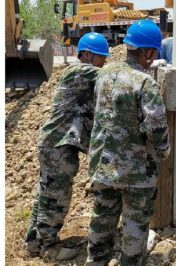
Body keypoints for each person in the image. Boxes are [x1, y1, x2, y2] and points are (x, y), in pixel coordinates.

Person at [85, 20, 170, 266]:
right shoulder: (145, 82)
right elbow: (155, 126)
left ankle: (96, 261)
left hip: (103, 165)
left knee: (102, 216)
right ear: (148, 52)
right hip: (136, 172)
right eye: (154, 53)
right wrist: (163, 151)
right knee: (134, 223)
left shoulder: (104, 74)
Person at [25, 32, 109, 256]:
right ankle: (48, 248)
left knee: (46, 194)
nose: (105, 62)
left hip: (56, 144)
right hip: (57, 146)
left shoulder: (84, 75)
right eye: (102, 57)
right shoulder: (78, 71)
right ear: (89, 55)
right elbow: (110, 76)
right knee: (56, 197)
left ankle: (33, 243)